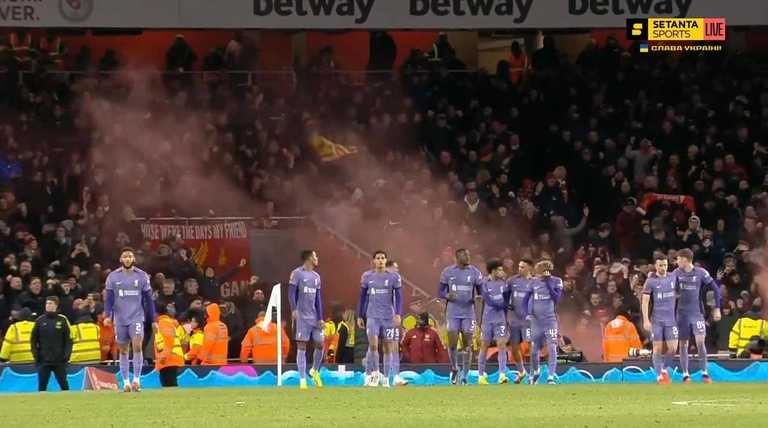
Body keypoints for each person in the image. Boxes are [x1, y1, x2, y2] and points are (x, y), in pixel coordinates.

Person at [104, 247, 158, 392]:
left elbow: (149, 299)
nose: (127, 259)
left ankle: (137, 380)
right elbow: (109, 298)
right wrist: (107, 315)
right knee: (123, 350)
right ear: (121, 259)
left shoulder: (141, 276)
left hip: (136, 317)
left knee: (137, 346)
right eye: (125, 256)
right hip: (120, 318)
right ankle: (126, 382)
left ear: (133, 259)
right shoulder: (113, 277)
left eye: (130, 256)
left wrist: (154, 319)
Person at [673, 248, 721, 383]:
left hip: (696, 313)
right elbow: (668, 287)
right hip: (681, 314)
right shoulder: (676, 273)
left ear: (685, 260)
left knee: (700, 342)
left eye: (678, 259)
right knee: (683, 343)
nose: (677, 262)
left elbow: (715, 288)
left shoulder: (701, 273)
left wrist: (717, 308)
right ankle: (685, 374)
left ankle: (705, 373)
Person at [358, 250, 402, 388]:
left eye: (383, 258)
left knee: (388, 347)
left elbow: (399, 297)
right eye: (378, 258)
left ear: (385, 260)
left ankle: (387, 379)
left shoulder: (394, 277)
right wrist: (360, 315)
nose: (381, 260)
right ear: (374, 261)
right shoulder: (367, 276)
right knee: (373, 346)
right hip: (372, 316)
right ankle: (375, 374)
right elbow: (363, 297)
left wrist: (398, 314)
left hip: (388, 317)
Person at [438, 248, 483, 385]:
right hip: (452, 312)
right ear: (457, 257)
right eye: (465, 255)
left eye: (469, 255)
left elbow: (481, 291)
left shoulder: (475, 272)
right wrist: (447, 295)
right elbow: (440, 291)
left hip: (468, 313)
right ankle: (454, 369)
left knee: (467, 345)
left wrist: (479, 297)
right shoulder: (448, 272)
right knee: (452, 344)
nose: (468, 257)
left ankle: (465, 375)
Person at [288, 249, 324, 390]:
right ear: (309, 258)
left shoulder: (316, 276)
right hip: (302, 316)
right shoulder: (297, 273)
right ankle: (302, 379)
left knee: (320, 344)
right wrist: (294, 309)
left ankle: (314, 370)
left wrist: (320, 317)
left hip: (315, 317)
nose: (317, 257)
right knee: (302, 346)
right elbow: (291, 293)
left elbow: (318, 299)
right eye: (315, 255)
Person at [641, 256, 678, 384]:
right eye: (660, 265)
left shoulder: (672, 277)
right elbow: (645, 301)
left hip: (671, 320)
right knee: (657, 348)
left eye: (665, 265)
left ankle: (664, 369)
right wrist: (646, 320)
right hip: (657, 320)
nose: (663, 268)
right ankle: (659, 376)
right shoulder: (650, 281)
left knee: (673, 348)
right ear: (655, 266)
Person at [526, 260, 563, 385]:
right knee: (534, 349)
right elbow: (527, 299)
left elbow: (556, 298)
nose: (539, 274)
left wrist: (548, 283)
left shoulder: (556, 281)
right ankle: (535, 372)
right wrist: (528, 313)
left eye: (541, 272)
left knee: (552, 346)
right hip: (536, 321)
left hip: (550, 320)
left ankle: (551, 376)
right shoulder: (533, 282)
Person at [478, 259, 511, 385]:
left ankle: (502, 375)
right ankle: (481, 376)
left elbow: (507, 300)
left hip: (500, 319)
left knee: (502, 344)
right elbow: (487, 299)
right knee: (484, 346)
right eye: (500, 270)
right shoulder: (484, 283)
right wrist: (500, 305)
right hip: (487, 319)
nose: (502, 272)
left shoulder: (504, 284)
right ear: (493, 271)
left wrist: (505, 308)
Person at [30, 296, 72, 392]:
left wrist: (66, 355)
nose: (48, 306)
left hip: (59, 360)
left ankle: (69, 402)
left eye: (50, 303)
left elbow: (68, 340)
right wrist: (35, 353)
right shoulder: (40, 321)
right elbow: (33, 339)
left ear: (56, 306)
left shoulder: (62, 320)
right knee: (42, 386)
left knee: (64, 385)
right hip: (44, 360)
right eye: (47, 303)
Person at [507, 259, 535, 383]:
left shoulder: (535, 282)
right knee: (514, 347)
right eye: (519, 266)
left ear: (529, 268)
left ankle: (533, 374)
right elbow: (504, 295)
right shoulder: (512, 281)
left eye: (522, 267)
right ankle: (521, 371)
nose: (519, 269)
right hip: (514, 320)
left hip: (528, 321)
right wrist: (508, 305)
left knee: (530, 345)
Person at [385, 260, 407, 386]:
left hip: (392, 318)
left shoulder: (395, 283)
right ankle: (380, 376)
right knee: (386, 347)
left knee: (394, 347)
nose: (398, 270)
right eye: (396, 268)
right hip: (383, 318)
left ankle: (395, 376)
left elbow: (398, 301)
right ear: (389, 268)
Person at [154, 303, 184, 387]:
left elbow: (169, 340)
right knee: (169, 384)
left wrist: (163, 357)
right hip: (169, 359)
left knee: (169, 385)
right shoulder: (163, 322)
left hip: (169, 360)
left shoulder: (163, 323)